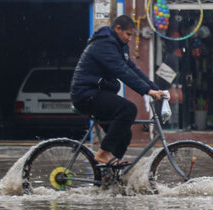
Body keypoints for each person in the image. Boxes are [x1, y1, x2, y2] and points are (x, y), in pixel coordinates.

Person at [70, 15, 166, 168]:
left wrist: (154, 88)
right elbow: (121, 71)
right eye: (128, 34)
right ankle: (103, 153)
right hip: (86, 94)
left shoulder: (119, 45)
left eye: (132, 35)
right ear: (118, 29)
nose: (130, 38)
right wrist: (146, 90)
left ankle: (109, 175)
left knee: (124, 134)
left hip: (97, 92)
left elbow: (132, 69)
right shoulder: (104, 44)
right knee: (128, 109)